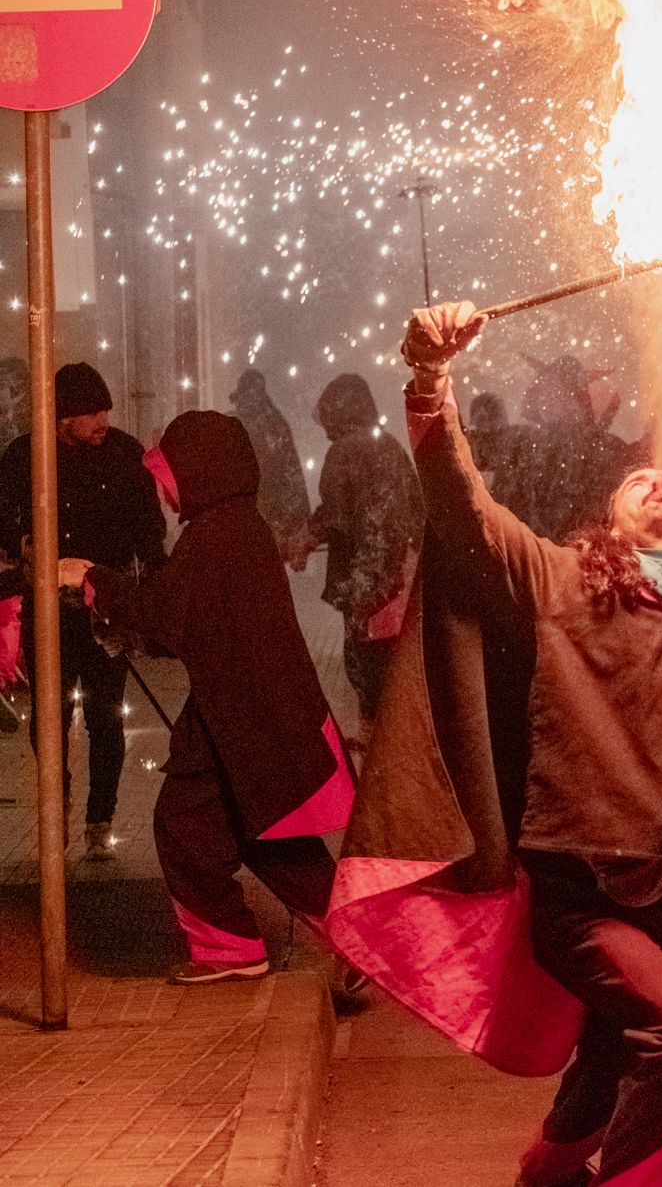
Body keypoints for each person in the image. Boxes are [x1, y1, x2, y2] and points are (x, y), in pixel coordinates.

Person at [386, 301, 662, 1187]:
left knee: (611, 1051)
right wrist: (434, 379)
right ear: (611, 525)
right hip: (578, 884)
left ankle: (543, 1175)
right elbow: (462, 504)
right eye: (635, 484)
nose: (655, 481)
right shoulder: (556, 578)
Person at [61, 411, 351, 981]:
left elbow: (167, 618)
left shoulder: (216, 536)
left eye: (169, 477)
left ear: (198, 471)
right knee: (261, 831)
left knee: (184, 824)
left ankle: (230, 946)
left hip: (242, 716)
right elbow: (186, 620)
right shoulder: (235, 527)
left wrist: (93, 579)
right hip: (244, 712)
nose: (167, 495)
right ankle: (355, 938)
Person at [0, 361, 166, 860]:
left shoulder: (123, 456)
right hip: (45, 607)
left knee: (105, 717)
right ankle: (58, 804)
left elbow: (147, 529)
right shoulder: (25, 457)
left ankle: (100, 821)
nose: (103, 421)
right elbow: (4, 523)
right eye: (91, 412)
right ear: (63, 417)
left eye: (105, 410)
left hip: (105, 608)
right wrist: (21, 547)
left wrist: (152, 588)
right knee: (49, 716)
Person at [309, 374, 424, 740]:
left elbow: (334, 514)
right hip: (397, 577)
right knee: (392, 665)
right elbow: (417, 508)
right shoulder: (390, 445)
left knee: (362, 663)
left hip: (361, 578)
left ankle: (375, 744)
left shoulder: (344, 451)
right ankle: (395, 740)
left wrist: (302, 540)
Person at [496, 355, 633, 543]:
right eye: (544, 390)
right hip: (525, 556)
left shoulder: (607, 449)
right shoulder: (520, 444)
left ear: (574, 397)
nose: (546, 398)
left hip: (576, 560)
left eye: (555, 390)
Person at [227, 369, 312, 550]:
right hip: (277, 514)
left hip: (251, 516)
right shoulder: (277, 422)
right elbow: (292, 472)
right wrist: (297, 522)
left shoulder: (238, 423)